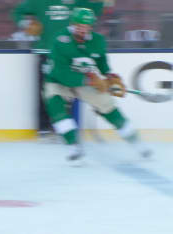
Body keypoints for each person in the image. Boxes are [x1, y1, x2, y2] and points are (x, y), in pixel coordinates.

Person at [43, 8, 152, 163]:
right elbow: (62, 74)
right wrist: (90, 81)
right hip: (57, 81)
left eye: (86, 27)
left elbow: (101, 61)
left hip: (86, 79)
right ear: (73, 24)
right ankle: (74, 146)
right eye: (79, 26)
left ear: (91, 27)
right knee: (55, 106)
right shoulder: (61, 41)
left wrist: (110, 76)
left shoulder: (98, 40)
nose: (82, 30)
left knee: (108, 106)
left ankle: (137, 143)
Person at [11, 0, 105, 134]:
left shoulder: (77, 2)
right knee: (46, 90)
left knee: (71, 89)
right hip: (45, 51)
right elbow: (17, 12)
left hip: (69, 53)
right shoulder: (38, 2)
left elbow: (97, 8)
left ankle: (66, 126)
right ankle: (44, 127)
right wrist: (26, 24)